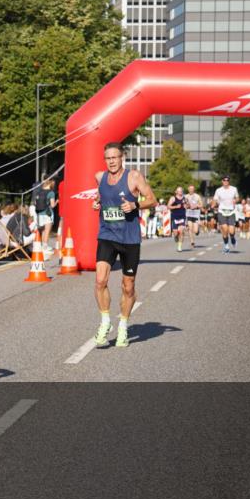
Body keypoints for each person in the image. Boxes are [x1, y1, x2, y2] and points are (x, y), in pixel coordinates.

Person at [91, 143, 158, 348]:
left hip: (129, 238)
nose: (111, 161)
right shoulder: (100, 177)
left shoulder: (134, 177)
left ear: (122, 157)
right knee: (100, 280)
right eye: (108, 158)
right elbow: (101, 197)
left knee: (128, 287)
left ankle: (123, 326)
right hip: (107, 234)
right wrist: (96, 203)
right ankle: (105, 322)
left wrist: (134, 205)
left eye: (115, 157)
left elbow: (153, 200)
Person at [212, 175, 240, 253]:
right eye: (224, 180)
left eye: (227, 180)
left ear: (229, 181)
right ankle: (226, 245)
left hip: (231, 211)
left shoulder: (234, 189)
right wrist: (213, 204)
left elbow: (237, 197)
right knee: (225, 229)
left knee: (231, 231)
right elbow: (215, 199)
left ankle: (233, 238)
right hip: (222, 211)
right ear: (222, 181)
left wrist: (236, 200)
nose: (226, 182)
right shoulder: (218, 190)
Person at [31, 179, 57, 247]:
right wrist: (57, 202)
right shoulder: (51, 193)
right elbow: (52, 205)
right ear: (51, 183)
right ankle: (45, 247)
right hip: (48, 213)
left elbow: (35, 203)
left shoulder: (39, 191)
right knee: (47, 231)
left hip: (39, 213)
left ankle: (42, 246)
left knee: (43, 231)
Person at [168, 186, 187, 252]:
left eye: (181, 190)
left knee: (181, 231)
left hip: (182, 217)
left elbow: (188, 205)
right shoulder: (173, 198)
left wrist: (186, 206)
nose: (180, 192)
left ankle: (179, 247)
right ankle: (176, 237)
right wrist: (176, 206)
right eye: (179, 191)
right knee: (176, 233)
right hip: (175, 217)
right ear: (176, 192)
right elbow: (168, 206)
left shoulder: (185, 198)